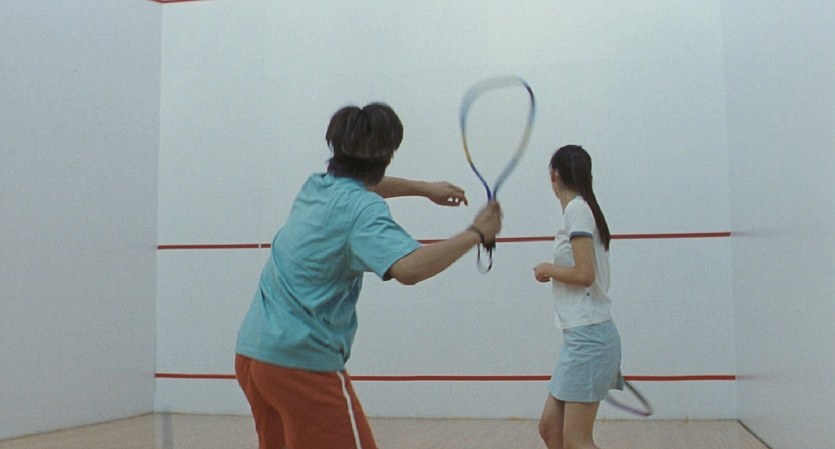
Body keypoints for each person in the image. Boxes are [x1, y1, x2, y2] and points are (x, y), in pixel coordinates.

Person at [234, 102, 502, 449]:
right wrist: (476, 233)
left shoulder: (316, 186)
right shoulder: (363, 210)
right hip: (300, 363)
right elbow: (410, 268)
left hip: (254, 356)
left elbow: (361, 185)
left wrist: (424, 188)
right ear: (387, 156)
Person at [533, 145, 623, 449]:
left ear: (554, 175)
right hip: (580, 337)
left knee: (576, 442)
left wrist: (547, 268)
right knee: (551, 429)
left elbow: (585, 274)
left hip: (590, 338)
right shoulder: (581, 210)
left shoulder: (577, 210)